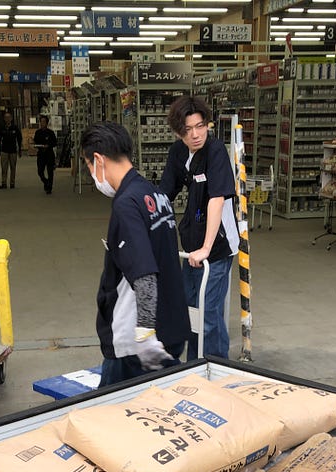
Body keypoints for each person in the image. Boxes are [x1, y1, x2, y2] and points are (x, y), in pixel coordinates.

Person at [80, 121, 190, 388]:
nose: (92, 174)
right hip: (172, 327)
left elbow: (144, 275)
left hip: (136, 345)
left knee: (114, 416)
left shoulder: (126, 205)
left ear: (98, 159)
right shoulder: (154, 194)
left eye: (88, 166)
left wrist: (144, 334)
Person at [160, 95, 239, 360]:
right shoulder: (178, 152)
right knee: (191, 311)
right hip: (192, 244)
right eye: (187, 129)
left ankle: (217, 370)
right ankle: (196, 365)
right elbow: (163, 195)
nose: (195, 134)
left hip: (217, 245)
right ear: (177, 132)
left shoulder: (215, 151)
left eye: (200, 126)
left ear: (208, 124)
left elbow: (216, 199)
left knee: (208, 313)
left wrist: (206, 247)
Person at [0, 112, 22, 189]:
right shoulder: (2, 128)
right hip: (4, 150)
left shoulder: (15, 128)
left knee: (13, 167)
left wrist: (19, 150)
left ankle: (12, 183)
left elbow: (19, 138)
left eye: (9, 117)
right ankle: (4, 183)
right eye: (6, 118)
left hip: (13, 150)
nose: (7, 119)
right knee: (4, 168)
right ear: (4, 119)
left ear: (11, 119)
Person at [32, 115, 57, 195]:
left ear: (47, 123)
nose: (42, 123)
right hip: (41, 154)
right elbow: (35, 141)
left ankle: (49, 187)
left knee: (50, 171)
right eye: (41, 122)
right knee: (40, 171)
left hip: (49, 154)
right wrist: (36, 145)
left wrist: (48, 145)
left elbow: (55, 143)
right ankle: (46, 182)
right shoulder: (38, 132)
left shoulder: (50, 133)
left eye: (44, 122)